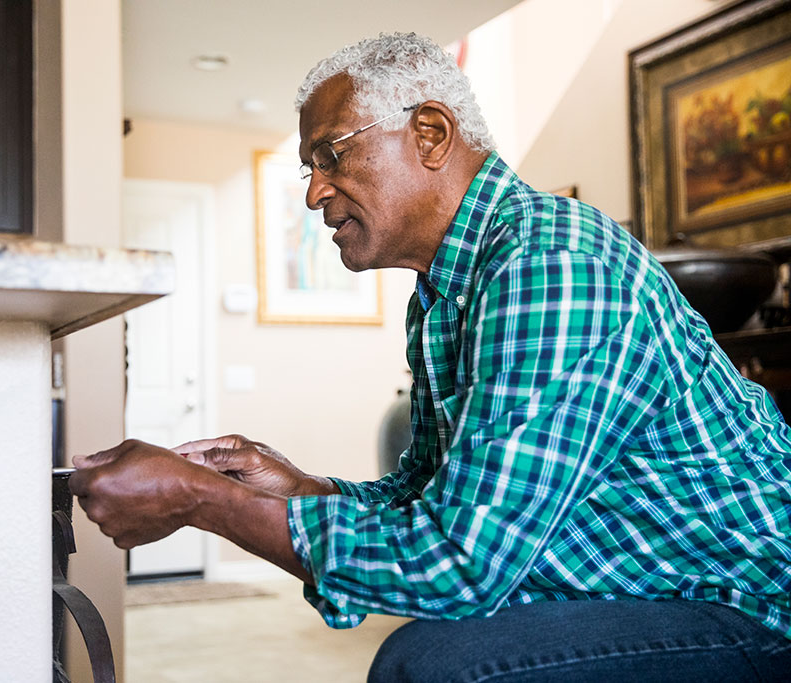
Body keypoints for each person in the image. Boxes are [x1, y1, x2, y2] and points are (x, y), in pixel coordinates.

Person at [69, 33, 791, 680]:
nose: (316, 191)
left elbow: (462, 564)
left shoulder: (551, 262)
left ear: (432, 133)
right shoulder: (446, 291)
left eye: (332, 154)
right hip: (659, 589)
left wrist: (204, 499)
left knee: (435, 663)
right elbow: (430, 498)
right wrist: (292, 486)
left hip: (750, 607)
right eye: (308, 168)